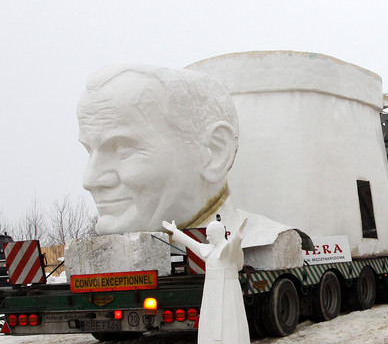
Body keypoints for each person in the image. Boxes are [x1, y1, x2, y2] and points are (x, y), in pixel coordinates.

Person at [76, 64, 291, 251]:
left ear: (214, 153)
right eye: (89, 150)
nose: (90, 180)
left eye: (123, 150)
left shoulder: (268, 241)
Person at [163, 217, 253, 344]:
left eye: (210, 234)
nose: (207, 237)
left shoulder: (228, 250)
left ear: (219, 234)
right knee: (210, 326)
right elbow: (193, 244)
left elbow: (234, 247)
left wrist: (238, 234)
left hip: (227, 292)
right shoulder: (209, 250)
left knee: (229, 326)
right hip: (211, 292)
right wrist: (175, 231)